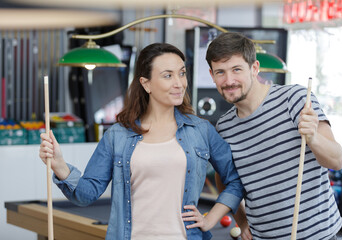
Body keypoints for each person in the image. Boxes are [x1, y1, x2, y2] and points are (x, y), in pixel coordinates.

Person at [39, 43, 244, 240]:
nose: (179, 83)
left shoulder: (201, 130)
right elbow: (86, 194)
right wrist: (60, 165)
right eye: (167, 75)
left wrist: (211, 220)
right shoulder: (117, 135)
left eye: (182, 73)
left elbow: (234, 180)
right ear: (146, 83)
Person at [205, 32, 342, 240]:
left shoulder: (295, 100)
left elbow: (337, 160)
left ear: (254, 68)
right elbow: (224, 179)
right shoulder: (224, 127)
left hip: (320, 235)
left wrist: (313, 137)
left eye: (236, 69)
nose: (229, 80)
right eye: (220, 72)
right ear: (211, 75)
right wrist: (242, 221)